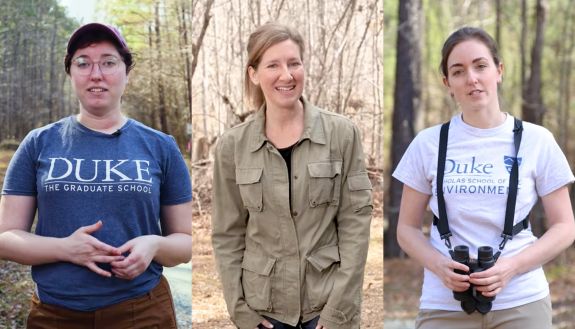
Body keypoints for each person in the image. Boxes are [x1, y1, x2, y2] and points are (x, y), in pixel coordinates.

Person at [0, 23, 192, 328]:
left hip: (142, 313)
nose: (96, 73)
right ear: (71, 73)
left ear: (127, 72)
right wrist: (65, 248)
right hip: (56, 315)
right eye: (83, 62)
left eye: (108, 62)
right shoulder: (38, 143)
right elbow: (5, 238)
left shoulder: (161, 146)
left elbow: (184, 243)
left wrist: (154, 245)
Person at [393, 26, 575, 329]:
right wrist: (439, 266)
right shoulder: (428, 144)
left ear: (499, 70)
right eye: (458, 71)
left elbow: (565, 227)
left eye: (480, 66)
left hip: (522, 299)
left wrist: (512, 267)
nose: (472, 78)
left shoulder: (537, 140)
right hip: (443, 304)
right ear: (447, 83)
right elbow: (407, 229)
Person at [211, 22, 373, 329]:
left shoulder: (342, 134)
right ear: (254, 74)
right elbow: (227, 234)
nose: (287, 75)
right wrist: (241, 312)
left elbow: (356, 226)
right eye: (273, 65)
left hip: (326, 304)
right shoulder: (233, 146)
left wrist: (338, 311)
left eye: (294, 63)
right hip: (264, 309)